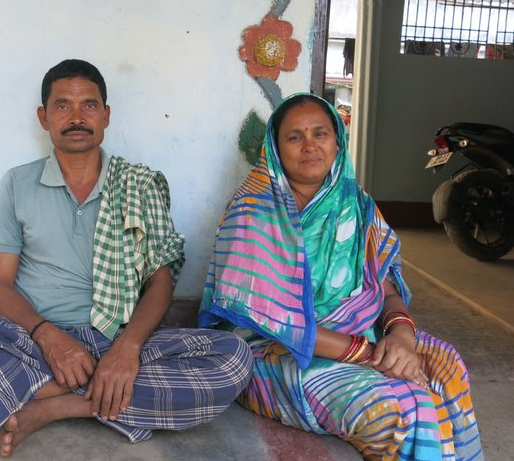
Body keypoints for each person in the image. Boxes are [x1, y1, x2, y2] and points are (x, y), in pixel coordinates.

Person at [0, 59, 252, 458]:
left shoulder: (137, 184)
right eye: (62, 106)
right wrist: (49, 339)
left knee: (234, 359)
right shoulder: (17, 184)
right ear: (43, 117)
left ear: (106, 116)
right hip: (35, 342)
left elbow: (160, 281)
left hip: (119, 336)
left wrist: (126, 351)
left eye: (89, 105)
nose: (77, 117)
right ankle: (101, 398)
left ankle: (53, 405)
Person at [199, 93, 483, 460]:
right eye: (294, 136)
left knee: (447, 366)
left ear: (337, 141)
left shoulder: (356, 204)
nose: (310, 146)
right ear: (276, 147)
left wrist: (401, 336)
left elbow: (383, 287)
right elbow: (274, 324)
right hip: (274, 352)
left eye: (320, 133)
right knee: (404, 407)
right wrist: (371, 355)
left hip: (362, 335)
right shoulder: (254, 212)